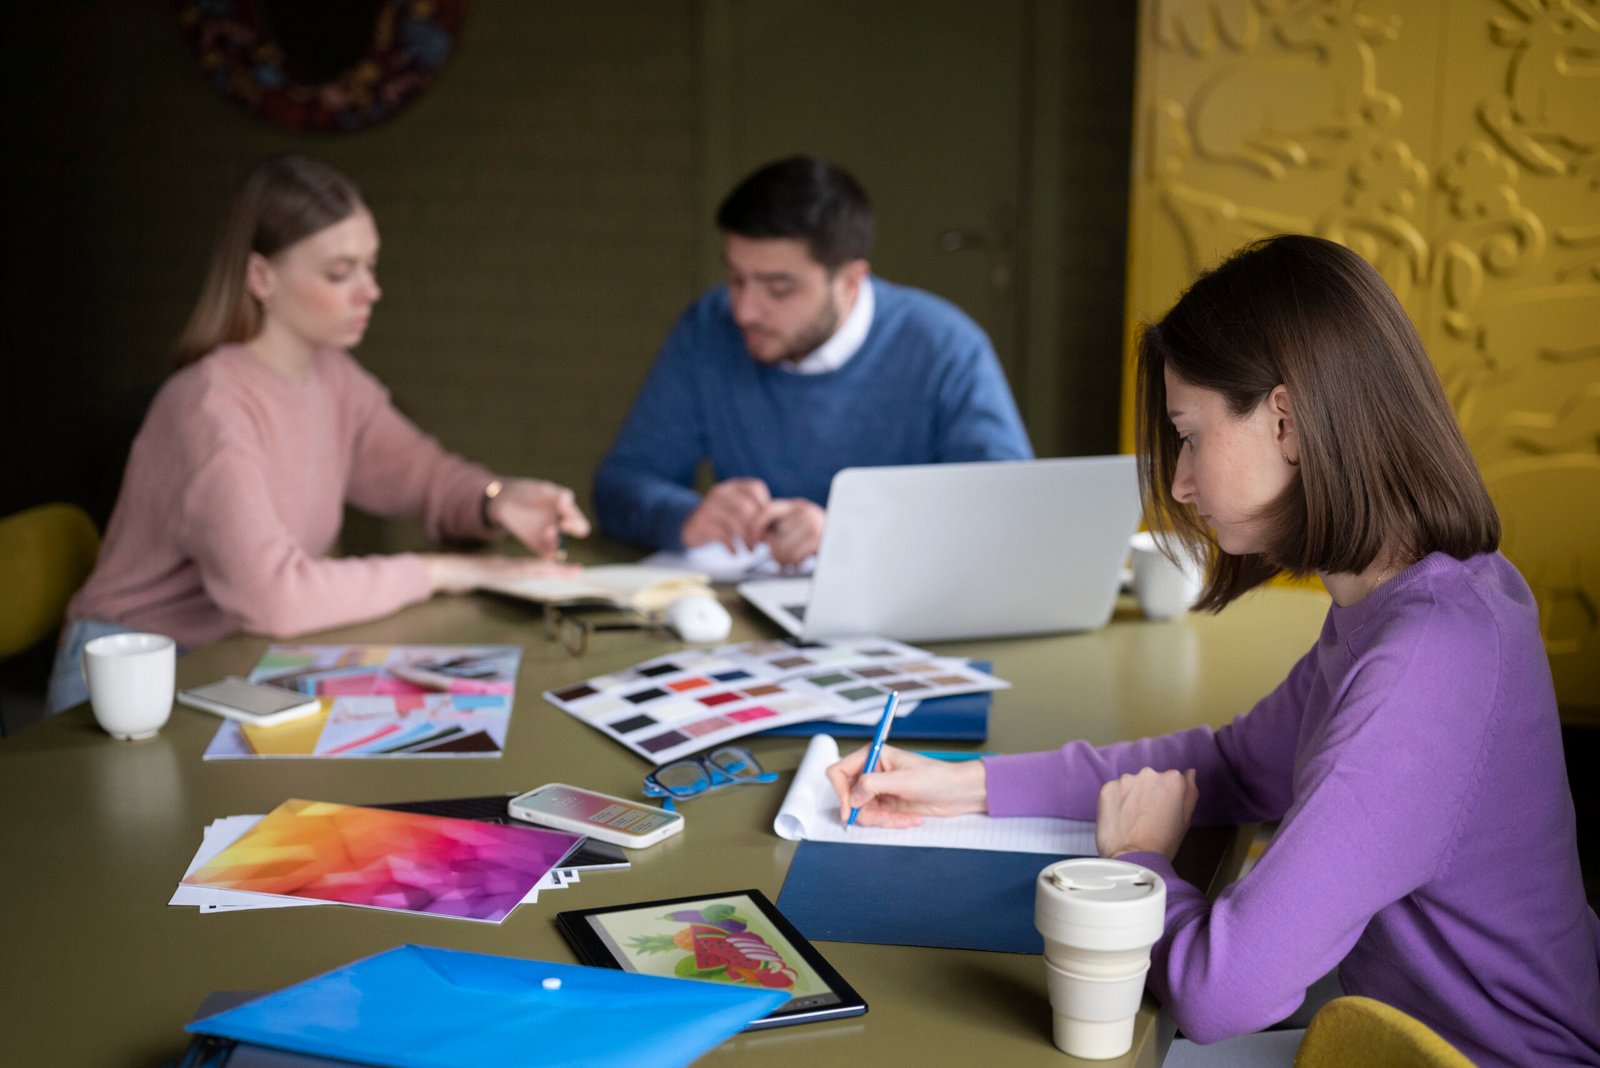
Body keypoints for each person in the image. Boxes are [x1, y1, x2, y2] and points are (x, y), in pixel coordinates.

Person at [827, 235, 1600, 1066]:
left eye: (1190, 435)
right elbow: (1234, 765)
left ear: (1287, 421)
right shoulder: (1416, 600)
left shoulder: (1427, 660)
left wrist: (1138, 864)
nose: (1183, 483)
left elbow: (1219, 994)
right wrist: (965, 787)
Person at [47, 155, 589, 713]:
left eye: (371, 267)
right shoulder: (209, 406)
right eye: (340, 273)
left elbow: (421, 474)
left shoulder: (333, 377)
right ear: (262, 277)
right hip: (132, 678)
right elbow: (277, 597)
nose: (370, 291)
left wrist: (497, 499)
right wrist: (444, 571)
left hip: (237, 657)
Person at [592, 155, 1032, 566]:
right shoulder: (708, 329)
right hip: (747, 619)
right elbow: (621, 483)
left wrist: (849, 534)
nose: (744, 310)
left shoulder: (946, 347)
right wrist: (685, 516)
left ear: (851, 282)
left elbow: (1007, 511)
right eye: (735, 278)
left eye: (779, 288)